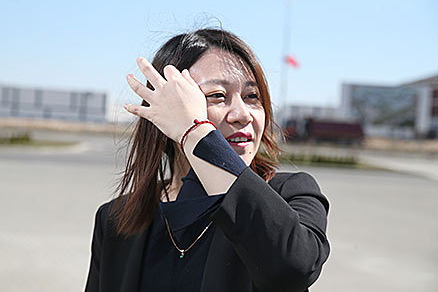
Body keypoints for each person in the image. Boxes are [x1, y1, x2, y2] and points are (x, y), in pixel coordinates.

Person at [84, 28, 330, 292]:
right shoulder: (117, 219)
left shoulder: (291, 196)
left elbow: (293, 269)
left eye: (252, 97)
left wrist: (195, 132)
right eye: (217, 96)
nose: (243, 115)